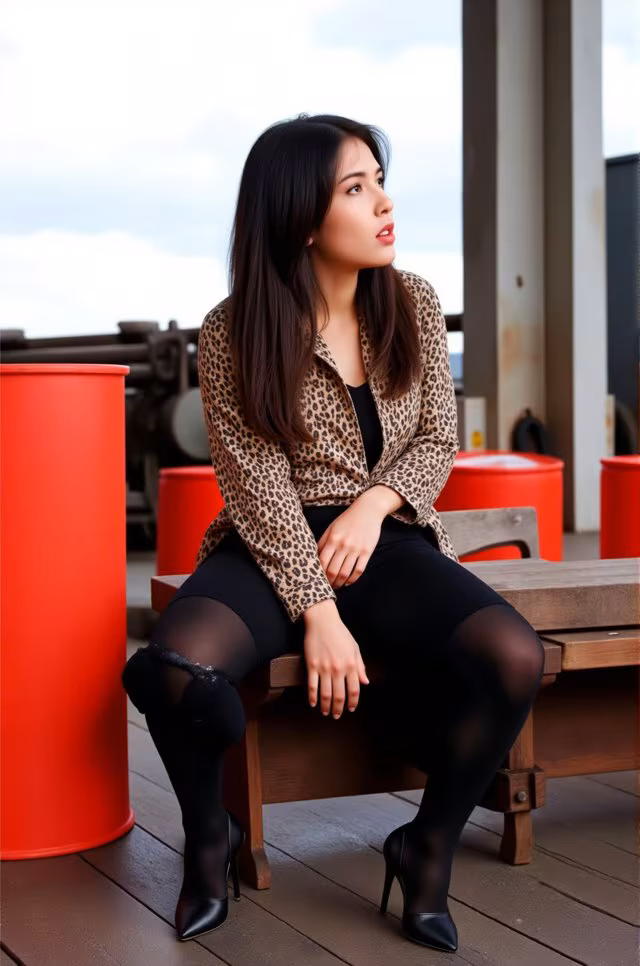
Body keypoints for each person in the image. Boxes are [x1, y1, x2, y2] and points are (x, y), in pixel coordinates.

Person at [121, 114, 545, 952]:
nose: (384, 203)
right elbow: (253, 480)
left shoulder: (413, 302)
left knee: (515, 656)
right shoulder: (233, 328)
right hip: (270, 539)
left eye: (380, 181)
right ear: (304, 220)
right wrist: (318, 611)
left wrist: (373, 506)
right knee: (175, 670)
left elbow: (437, 438)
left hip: (385, 537)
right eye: (357, 188)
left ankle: (426, 849)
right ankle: (209, 840)